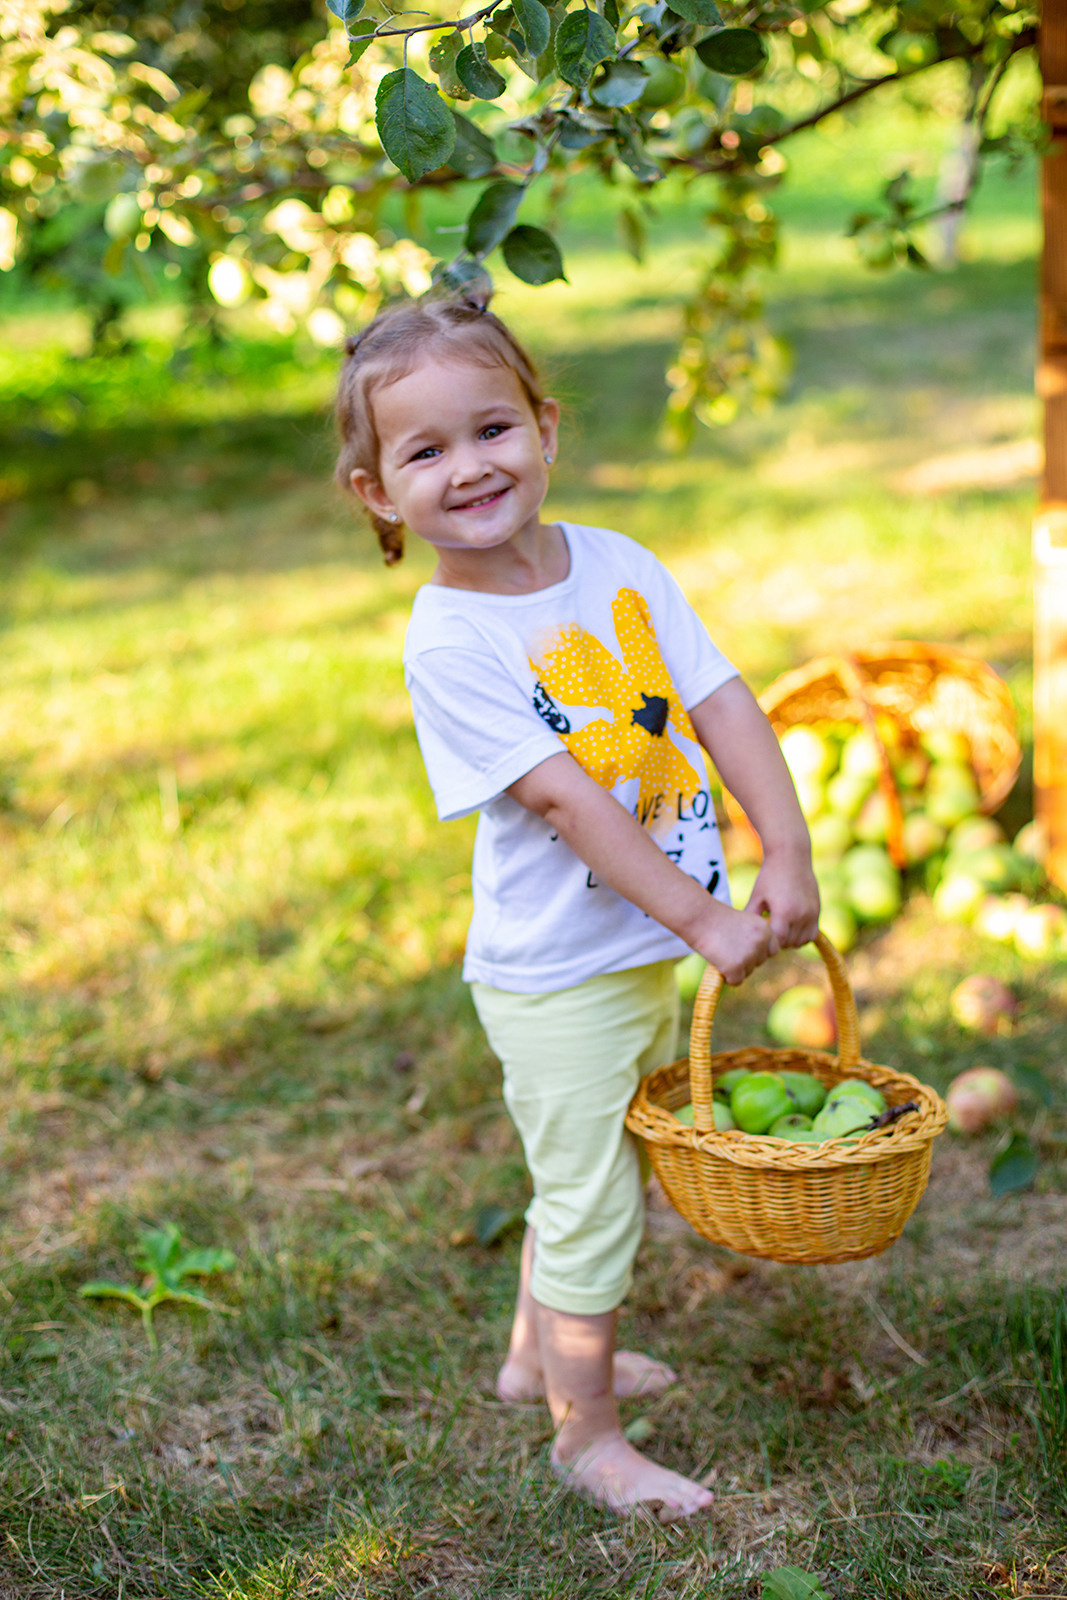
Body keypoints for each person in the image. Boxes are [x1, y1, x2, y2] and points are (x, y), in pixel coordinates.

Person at [335, 293, 820, 1521]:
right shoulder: (450, 640)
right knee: (593, 1197)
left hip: (638, 950)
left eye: (491, 427)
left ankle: (524, 1360)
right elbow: (568, 804)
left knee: (591, 1172)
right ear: (378, 493)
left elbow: (720, 701)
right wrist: (704, 922)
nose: (469, 466)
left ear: (545, 427)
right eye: (424, 451)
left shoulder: (616, 563)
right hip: (556, 975)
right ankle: (583, 1432)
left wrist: (788, 851)